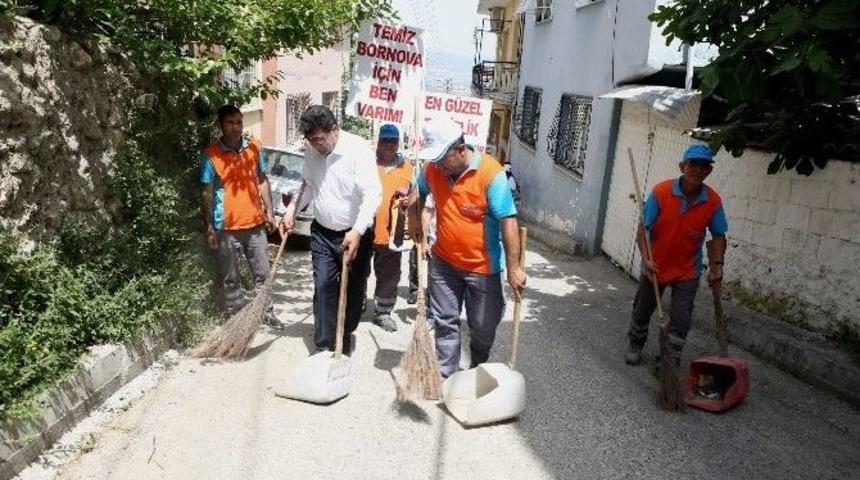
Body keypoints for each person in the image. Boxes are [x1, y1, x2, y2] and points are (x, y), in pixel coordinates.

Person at [412, 119, 527, 378]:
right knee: (445, 322)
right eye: (435, 159)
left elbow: (508, 221)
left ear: (461, 150)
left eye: (443, 158)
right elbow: (417, 192)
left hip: (483, 268)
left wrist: (514, 268)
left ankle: (478, 361)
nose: (439, 166)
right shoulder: (432, 170)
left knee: (484, 327)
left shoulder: (491, 174)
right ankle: (447, 377)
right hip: (443, 262)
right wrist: (414, 221)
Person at [280, 105, 381, 354]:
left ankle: (344, 332)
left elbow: (373, 194)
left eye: (320, 139)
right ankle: (325, 346)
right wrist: (291, 211)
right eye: (311, 140)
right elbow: (309, 186)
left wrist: (357, 230)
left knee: (354, 290)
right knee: (323, 285)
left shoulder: (358, 150)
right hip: (323, 233)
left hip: (356, 233)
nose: (316, 145)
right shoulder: (312, 152)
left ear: (335, 130)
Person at [625, 144, 728, 366]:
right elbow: (643, 230)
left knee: (681, 319)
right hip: (656, 264)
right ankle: (635, 342)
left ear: (709, 171)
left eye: (704, 166)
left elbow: (719, 234)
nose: (698, 170)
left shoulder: (712, 201)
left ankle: (669, 359)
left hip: (687, 269)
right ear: (683, 166)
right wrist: (646, 258)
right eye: (694, 164)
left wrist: (717, 266)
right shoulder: (661, 192)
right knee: (643, 309)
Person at [200, 105, 281, 328]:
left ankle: (267, 313)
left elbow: (262, 180)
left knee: (263, 274)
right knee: (231, 278)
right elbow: (206, 193)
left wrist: (270, 212)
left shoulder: (254, 148)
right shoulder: (211, 156)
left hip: (255, 225)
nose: (235, 127)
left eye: (239, 122)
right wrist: (208, 228)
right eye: (230, 123)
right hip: (225, 229)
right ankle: (237, 320)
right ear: (221, 126)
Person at [369, 124, 413, 332]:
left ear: (398, 143)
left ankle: (383, 311)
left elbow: (416, 196)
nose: (389, 145)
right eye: (385, 141)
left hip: (392, 231)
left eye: (393, 141)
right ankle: (357, 302)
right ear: (378, 142)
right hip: (365, 228)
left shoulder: (408, 167)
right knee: (357, 269)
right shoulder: (367, 163)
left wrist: (408, 197)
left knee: (389, 273)